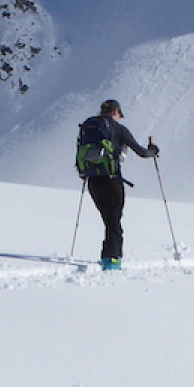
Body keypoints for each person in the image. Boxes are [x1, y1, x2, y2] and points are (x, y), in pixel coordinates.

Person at [77, 100, 157, 271]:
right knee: (114, 221)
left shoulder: (89, 127)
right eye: (119, 114)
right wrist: (153, 150)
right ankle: (111, 260)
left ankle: (109, 256)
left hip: (92, 181)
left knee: (109, 220)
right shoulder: (118, 129)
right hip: (112, 181)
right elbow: (142, 152)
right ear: (115, 112)